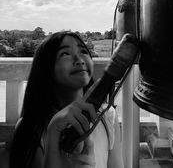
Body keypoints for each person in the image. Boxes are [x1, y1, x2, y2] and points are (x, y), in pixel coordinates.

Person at [9, 31, 124, 168]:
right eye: (65, 54)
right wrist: (54, 130)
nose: (79, 59)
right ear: (46, 68)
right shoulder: (31, 127)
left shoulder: (107, 116)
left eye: (83, 51)